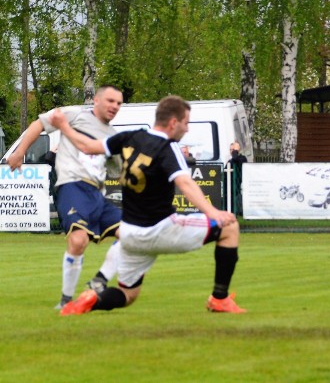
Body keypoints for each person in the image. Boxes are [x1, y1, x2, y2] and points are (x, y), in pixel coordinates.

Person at [51, 95, 245, 315]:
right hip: (162, 229)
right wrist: (213, 212)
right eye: (186, 123)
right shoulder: (167, 147)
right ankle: (219, 298)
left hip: (132, 235)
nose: (187, 129)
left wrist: (63, 126)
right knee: (229, 228)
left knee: (128, 295)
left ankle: (89, 301)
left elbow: (86, 146)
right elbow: (185, 183)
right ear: (173, 123)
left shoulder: (129, 138)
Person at [7, 85, 124, 310]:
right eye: (110, 101)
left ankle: (99, 280)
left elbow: (117, 171)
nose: (114, 106)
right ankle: (66, 301)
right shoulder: (74, 114)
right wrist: (20, 152)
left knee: (133, 235)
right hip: (72, 186)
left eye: (118, 103)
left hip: (97, 194)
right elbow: (38, 124)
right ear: (97, 100)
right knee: (78, 240)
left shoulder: (112, 137)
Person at [227, 141, 247, 215]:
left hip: (238, 185)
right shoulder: (230, 160)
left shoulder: (242, 158)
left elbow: (235, 159)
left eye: (233, 150)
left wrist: (236, 151)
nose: (232, 152)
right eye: (231, 150)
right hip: (229, 185)